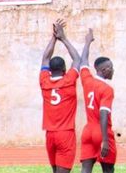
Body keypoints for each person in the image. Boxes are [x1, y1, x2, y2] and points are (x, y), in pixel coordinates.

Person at [40, 19, 81, 173]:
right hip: (66, 134)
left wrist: (53, 38)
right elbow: (77, 59)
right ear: (64, 69)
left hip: (50, 134)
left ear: (49, 70)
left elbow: (45, 58)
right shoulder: (69, 80)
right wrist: (63, 38)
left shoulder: (44, 81)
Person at [79, 28, 117, 173]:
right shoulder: (107, 89)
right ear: (104, 70)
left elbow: (83, 61)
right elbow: (103, 114)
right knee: (108, 169)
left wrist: (87, 42)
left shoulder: (87, 80)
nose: (113, 70)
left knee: (86, 168)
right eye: (111, 68)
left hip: (88, 130)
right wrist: (105, 140)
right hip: (101, 131)